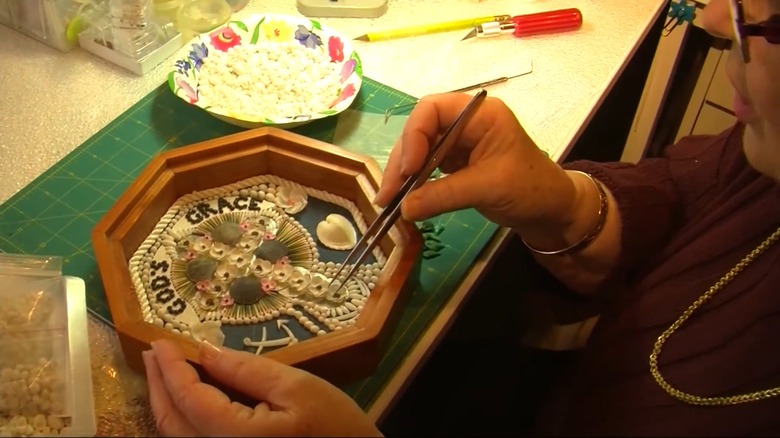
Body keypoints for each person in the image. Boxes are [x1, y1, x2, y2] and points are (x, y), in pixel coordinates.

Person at [142, 0, 780, 435]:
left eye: (769, 17)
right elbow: (694, 205)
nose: (719, 17)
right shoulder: (759, 162)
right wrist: (566, 205)